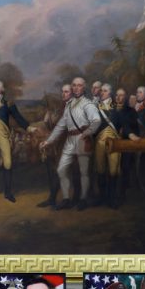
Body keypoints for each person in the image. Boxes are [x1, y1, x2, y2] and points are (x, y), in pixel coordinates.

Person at [39, 77, 101, 211]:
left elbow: (96, 121)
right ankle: (66, 199)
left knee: (84, 172)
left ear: (83, 87)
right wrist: (48, 141)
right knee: (61, 169)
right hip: (70, 140)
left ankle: (83, 199)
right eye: (74, 85)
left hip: (83, 139)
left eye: (79, 85)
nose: (77, 88)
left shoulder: (88, 104)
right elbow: (61, 125)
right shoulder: (69, 105)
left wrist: (88, 132)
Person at [93, 85, 139, 208]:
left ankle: (111, 199)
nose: (102, 92)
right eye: (101, 90)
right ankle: (102, 198)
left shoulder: (116, 109)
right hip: (99, 142)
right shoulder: (95, 108)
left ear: (110, 93)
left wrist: (130, 135)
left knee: (113, 171)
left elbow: (124, 124)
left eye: (105, 91)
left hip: (114, 143)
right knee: (101, 170)